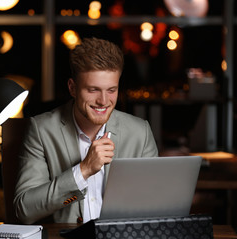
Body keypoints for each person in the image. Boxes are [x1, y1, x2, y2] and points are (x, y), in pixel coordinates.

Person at [14, 37, 158, 224]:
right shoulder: (41, 130)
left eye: (111, 90)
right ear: (72, 88)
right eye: (93, 90)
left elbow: (156, 206)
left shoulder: (141, 132)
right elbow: (24, 210)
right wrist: (82, 171)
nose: (103, 101)